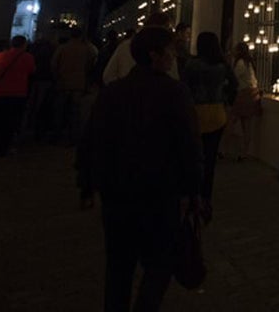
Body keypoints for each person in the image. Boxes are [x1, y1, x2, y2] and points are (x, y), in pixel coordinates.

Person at [77, 27, 202, 312]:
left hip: (116, 195)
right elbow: (189, 146)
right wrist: (193, 190)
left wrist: (86, 183)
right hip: (160, 195)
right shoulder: (174, 93)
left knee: (118, 267)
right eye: (169, 51)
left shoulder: (113, 93)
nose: (173, 57)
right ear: (154, 55)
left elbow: (90, 141)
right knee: (160, 263)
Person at [181, 32, 236, 218]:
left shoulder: (191, 65)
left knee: (192, 158)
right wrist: (225, 98)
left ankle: (191, 195)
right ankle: (206, 198)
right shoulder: (222, 65)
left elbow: (184, 88)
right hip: (217, 114)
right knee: (210, 160)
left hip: (196, 114)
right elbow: (234, 85)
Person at [0, 36, 36, 156]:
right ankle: (6, 146)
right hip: (17, 93)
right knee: (12, 121)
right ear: (24, 45)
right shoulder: (27, 57)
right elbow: (31, 71)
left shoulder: (0, 55)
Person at [102, 12, 178, 84]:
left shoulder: (125, 46)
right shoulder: (166, 51)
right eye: (168, 28)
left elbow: (108, 76)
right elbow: (174, 76)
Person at [50, 27, 96, 144]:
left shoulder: (62, 48)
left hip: (63, 83)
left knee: (59, 111)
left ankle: (56, 136)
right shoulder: (86, 50)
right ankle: (73, 137)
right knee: (75, 113)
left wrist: (57, 78)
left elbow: (54, 64)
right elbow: (90, 66)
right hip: (79, 84)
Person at [227, 42, 260, 161]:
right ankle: (244, 152)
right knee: (247, 124)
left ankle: (225, 149)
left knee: (232, 120)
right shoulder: (249, 63)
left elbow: (233, 78)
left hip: (244, 93)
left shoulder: (240, 63)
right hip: (253, 93)